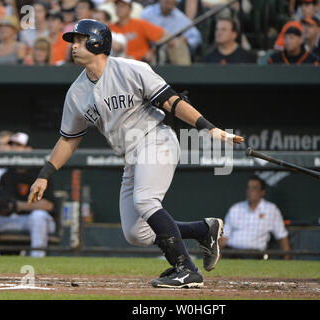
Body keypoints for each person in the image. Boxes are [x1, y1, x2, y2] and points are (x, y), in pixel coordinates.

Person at [27, 19, 244, 288]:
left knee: (145, 200)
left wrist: (209, 128)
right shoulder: (76, 93)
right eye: (73, 41)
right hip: (130, 154)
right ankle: (203, 229)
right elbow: (69, 140)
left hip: (156, 139)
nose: (74, 45)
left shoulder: (131, 68)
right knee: (136, 233)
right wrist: (44, 174)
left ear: (97, 42)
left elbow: (172, 101)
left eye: (80, 39)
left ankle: (187, 269)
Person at [0, 132, 57, 258]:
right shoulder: (7, 174)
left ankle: (38, 258)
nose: (14, 149)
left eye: (19, 145)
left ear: (29, 149)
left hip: (36, 219)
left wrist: (18, 205)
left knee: (39, 216)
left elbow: (48, 205)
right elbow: (3, 203)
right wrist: (1, 206)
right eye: (12, 145)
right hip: (15, 218)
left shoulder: (41, 173)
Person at [219, 175, 291, 260]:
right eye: (248, 188)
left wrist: (287, 259)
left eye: (254, 188)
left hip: (255, 256)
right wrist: (216, 254)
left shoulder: (271, 210)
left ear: (262, 192)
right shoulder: (235, 208)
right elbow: (224, 237)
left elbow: (282, 237)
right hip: (231, 253)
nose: (250, 191)